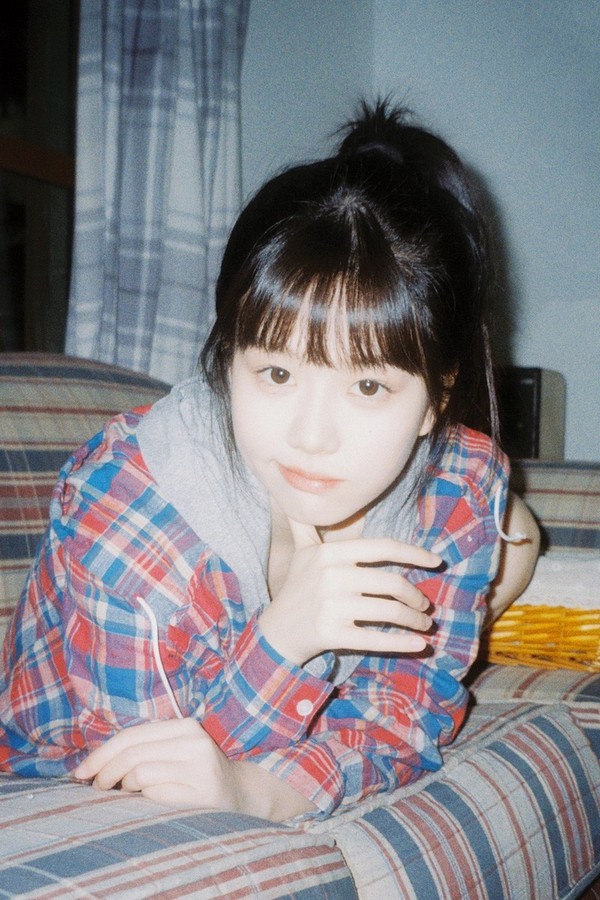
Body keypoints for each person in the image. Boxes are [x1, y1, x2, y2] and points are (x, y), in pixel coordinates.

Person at [0, 101, 539, 822]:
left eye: (369, 386)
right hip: (57, 779)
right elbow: (136, 785)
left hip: (246, 760)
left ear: (437, 399)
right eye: (277, 374)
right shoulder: (128, 513)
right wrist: (284, 640)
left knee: (518, 536)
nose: (311, 437)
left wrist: (257, 791)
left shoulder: (460, 488)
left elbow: (398, 724)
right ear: (230, 360)